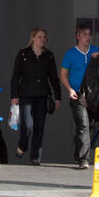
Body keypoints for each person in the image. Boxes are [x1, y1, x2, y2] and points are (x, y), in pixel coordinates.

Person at [9, 27, 61, 166]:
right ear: (33, 38)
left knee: (39, 126)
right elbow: (16, 75)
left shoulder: (49, 56)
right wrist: (14, 94)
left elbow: (53, 78)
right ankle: (23, 145)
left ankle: (35, 157)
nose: (42, 39)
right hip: (26, 94)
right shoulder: (23, 54)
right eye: (40, 37)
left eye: (44, 37)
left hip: (42, 95)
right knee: (28, 125)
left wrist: (57, 96)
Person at [59, 23, 99, 170]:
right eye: (84, 34)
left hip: (93, 95)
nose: (87, 37)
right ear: (77, 36)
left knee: (87, 127)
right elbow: (63, 74)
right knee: (83, 125)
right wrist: (70, 89)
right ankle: (84, 159)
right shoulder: (70, 54)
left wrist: (98, 60)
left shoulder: (96, 51)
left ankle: (79, 152)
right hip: (77, 94)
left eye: (89, 34)